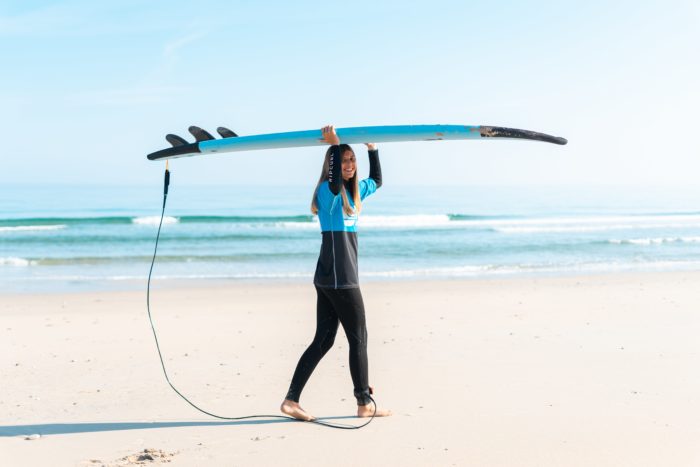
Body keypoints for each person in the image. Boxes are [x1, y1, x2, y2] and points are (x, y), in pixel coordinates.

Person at [280, 125, 392, 421]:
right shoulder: (328, 192)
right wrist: (332, 146)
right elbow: (331, 180)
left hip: (328, 278)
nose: (349, 165)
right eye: (344, 161)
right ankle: (364, 402)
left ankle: (291, 400)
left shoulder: (356, 193)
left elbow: (377, 180)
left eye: (351, 160)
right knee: (359, 338)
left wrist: (372, 149)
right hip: (341, 278)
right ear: (334, 166)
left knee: (324, 340)